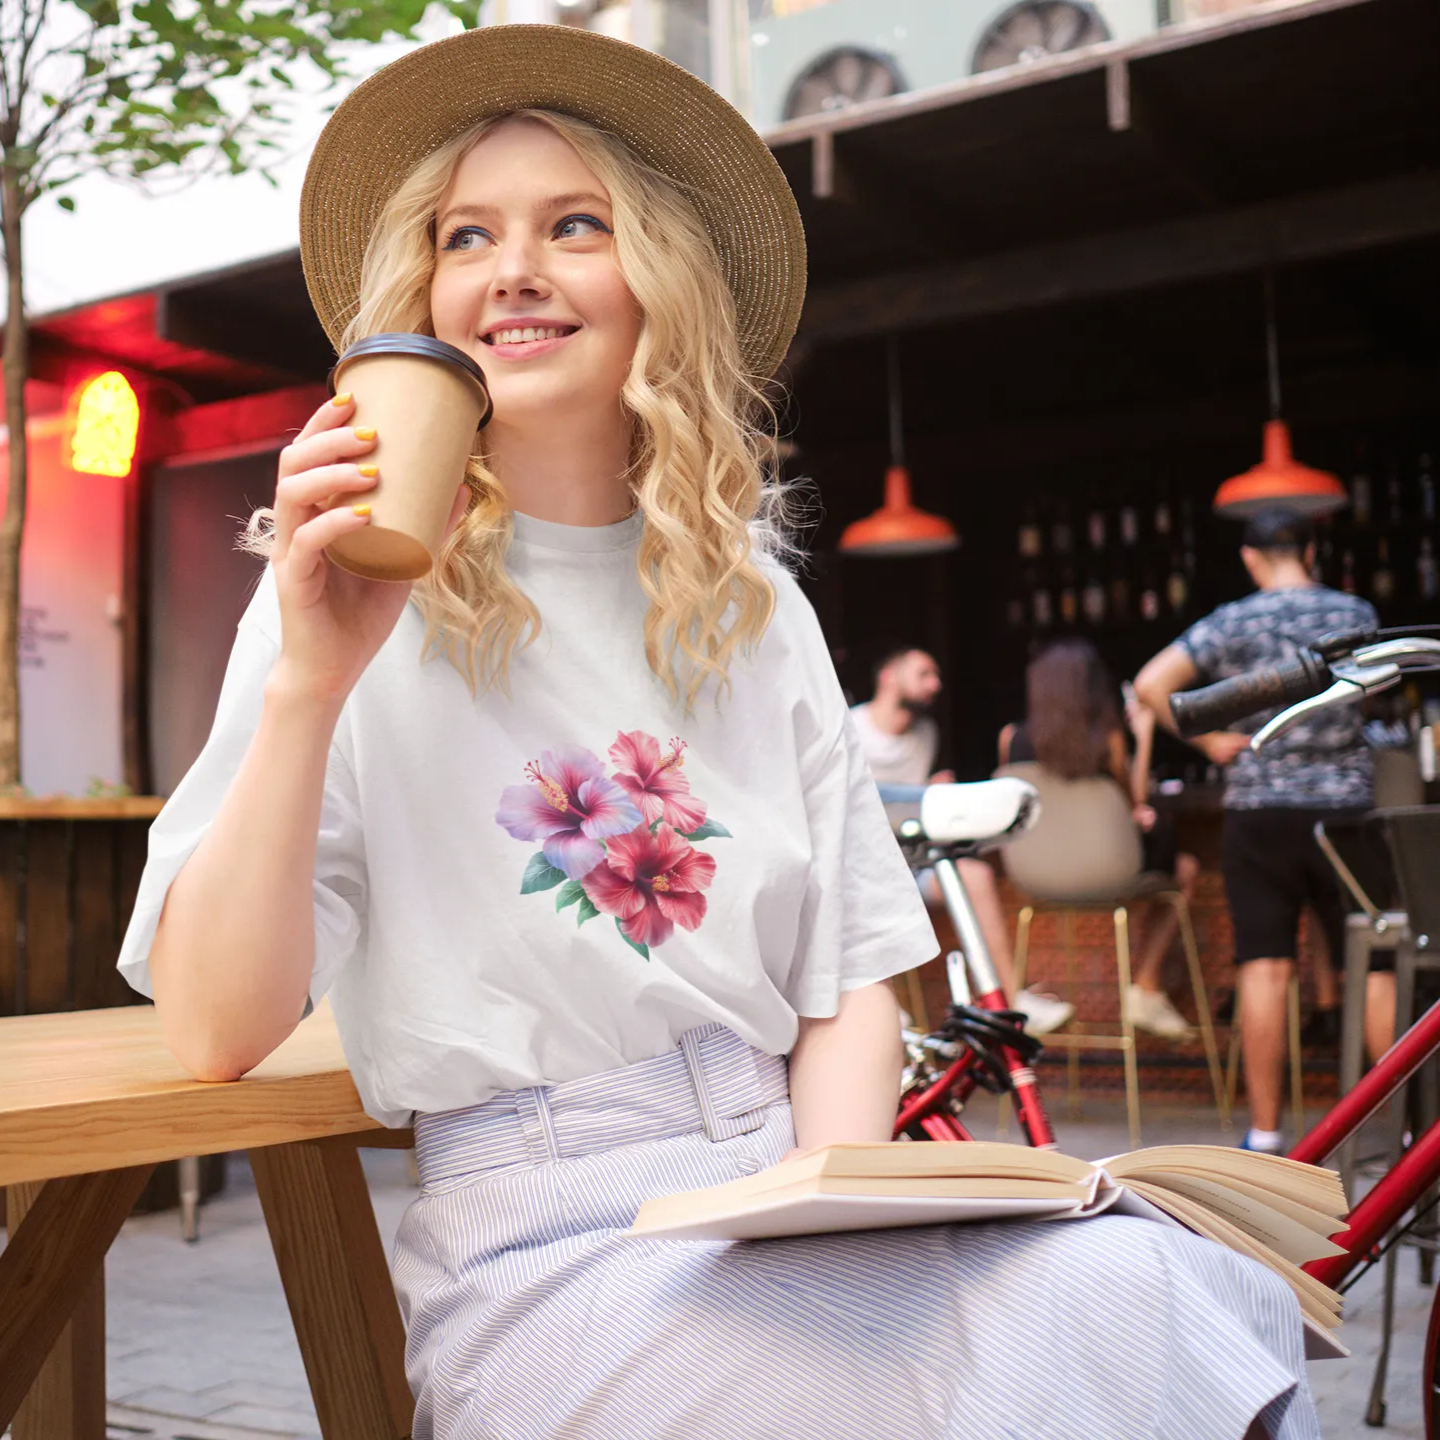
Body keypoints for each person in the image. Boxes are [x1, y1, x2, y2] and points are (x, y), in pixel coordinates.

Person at [117, 27, 1318, 1439]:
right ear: (425, 294)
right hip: (544, 1253)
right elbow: (211, 1024)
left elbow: (846, 985)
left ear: (657, 285)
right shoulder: (341, 591)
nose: (512, 269)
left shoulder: (750, 603)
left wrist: (839, 1202)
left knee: (1167, 1294)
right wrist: (310, 683)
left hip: (787, 1190)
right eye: (466, 236)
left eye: (576, 225)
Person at [1136, 507, 1390, 1155]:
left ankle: (1267, 1133)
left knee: (1265, 968)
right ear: (1310, 550)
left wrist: (1219, 739)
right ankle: (1415, 1129)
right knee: (1373, 964)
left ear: (1251, 558)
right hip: (1345, 809)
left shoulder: (1234, 619)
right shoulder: (1355, 614)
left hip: (1261, 811)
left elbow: (1150, 683)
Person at [854, 645, 1075, 1036]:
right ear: (889, 676)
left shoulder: (926, 733)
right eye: (924, 673)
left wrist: (928, 792)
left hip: (909, 861)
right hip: (860, 865)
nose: (935, 684)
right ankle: (880, 1009)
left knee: (975, 874)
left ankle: (1008, 1001)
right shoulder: (849, 728)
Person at [998, 638, 1201, 1040]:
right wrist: (1143, 737)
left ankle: (1143, 988)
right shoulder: (1108, 741)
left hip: (1034, 879)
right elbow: (1135, 806)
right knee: (1186, 868)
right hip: (1110, 876)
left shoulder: (1011, 739)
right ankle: (1145, 984)